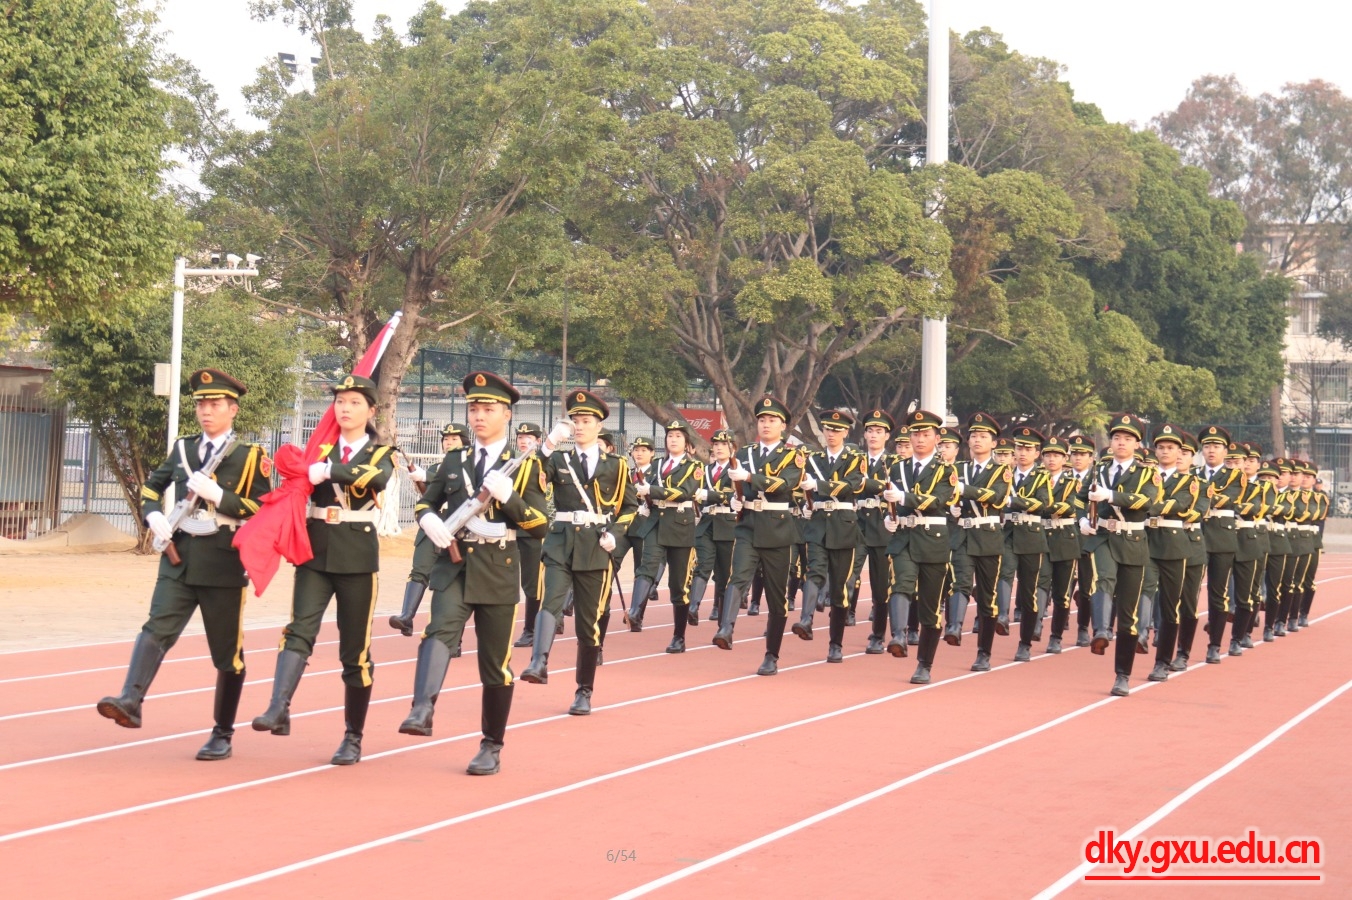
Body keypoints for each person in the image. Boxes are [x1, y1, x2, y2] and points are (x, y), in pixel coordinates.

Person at [98, 369, 272, 761]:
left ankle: (222, 733)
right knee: (156, 627)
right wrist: (152, 514)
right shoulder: (182, 449)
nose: (206, 411)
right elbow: (151, 487)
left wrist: (220, 496)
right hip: (179, 560)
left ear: (233, 409)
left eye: (214, 404)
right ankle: (130, 700)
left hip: (223, 565)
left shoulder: (250, 457)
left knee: (227, 654)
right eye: (201, 404)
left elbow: (263, 508)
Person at [401, 372, 550, 775]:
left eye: (488, 409)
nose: (479, 416)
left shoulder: (526, 465)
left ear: (507, 414)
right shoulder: (455, 460)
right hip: (455, 565)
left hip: (499, 568)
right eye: (474, 409)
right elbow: (426, 501)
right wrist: (428, 519)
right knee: (438, 631)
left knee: (494, 664)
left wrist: (510, 498)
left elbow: (540, 525)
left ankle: (491, 744)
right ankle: (422, 708)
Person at [250, 374, 395, 765]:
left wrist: (328, 471)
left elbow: (376, 478)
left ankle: (353, 736)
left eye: (354, 402)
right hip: (315, 552)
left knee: (355, 652)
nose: (345, 408)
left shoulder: (380, 452)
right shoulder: (320, 448)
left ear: (371, 410)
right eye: (340, 401)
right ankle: (278, 706)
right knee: (298, 630)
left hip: (356, 558)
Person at [521, 390, 639, 715]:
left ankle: (584, 690)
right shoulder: (558, 459)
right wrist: (548, 443)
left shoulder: (616, 465)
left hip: (595, 547)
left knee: (588, 624)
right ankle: (538, 662)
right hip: (560, 542)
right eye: (575, 420)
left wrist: (615, 534)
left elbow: (630, 506)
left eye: (586, 421)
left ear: (599, 426)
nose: (580, 426)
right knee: (550, 601)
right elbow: (528, 474)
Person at [715, 395, 804, 676]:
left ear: (783, 426)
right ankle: (726, 628)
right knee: (738, 576)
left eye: (772, 420)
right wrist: (733, 498)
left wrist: (750, 478)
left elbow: (785, 484)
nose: (766, 424)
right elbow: (728, 481)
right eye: (762, 420)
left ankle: (771, 655)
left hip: (777, 529)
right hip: (749, 525)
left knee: (776, 598)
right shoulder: (745, 453)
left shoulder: (793, 455)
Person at [1078, 413, 1161, 697]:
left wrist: (1110, 496)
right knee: (1103, 579)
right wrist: (1082, 519)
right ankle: (1101, 630)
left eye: (1127, 439)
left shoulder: (1147, 473)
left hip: (1133, 541)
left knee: (1129, 612)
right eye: (1116, 438)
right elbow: (1079, 498)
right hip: (1103, 537)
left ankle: (1122, 675)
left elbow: (1146, 501)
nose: (1121, 443)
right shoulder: (1098, 469)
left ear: (1137, 444)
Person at [881, 409, 957, 683]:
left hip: (933, 540)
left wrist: (904, 497)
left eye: (925, 434)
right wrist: (888, 517)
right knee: (900, 584)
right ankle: (898, 635)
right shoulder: (897, 468)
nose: (920, 439)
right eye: (915, 434)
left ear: (936, 438)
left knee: (930, 608)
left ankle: (925, 664)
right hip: (903, 538)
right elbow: (889, 500)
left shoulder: (946, 470)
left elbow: (937, 501)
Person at [627, 420, 704, 652]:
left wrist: (652, 490)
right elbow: (644, 489)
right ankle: (635, 610)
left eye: (678, 436)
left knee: (678, 586)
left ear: (686, 442)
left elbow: (685, 493)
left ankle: (679, 636)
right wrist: (644, 497)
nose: (673, 439)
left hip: (680, 525)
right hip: (656, 522)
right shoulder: (657, 464)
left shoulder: (694, 467)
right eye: (670, 436)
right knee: (646, 567)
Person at [794, 410, 865, 662]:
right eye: (828, 429)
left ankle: (836, 644)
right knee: (813, 571)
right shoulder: (814, 459)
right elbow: (800, 486)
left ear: (846, 432)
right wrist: (805, 500)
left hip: (843, 525)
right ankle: (806, 620)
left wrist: (819, 486)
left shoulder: (855, 458)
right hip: (818, 525)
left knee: (839, 589)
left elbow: (851, 485)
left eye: (837, 429)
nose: (831, 433)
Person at [390, 423, 467, 637]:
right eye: (446, 439)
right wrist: (421, 479)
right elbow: (430, 494)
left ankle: (454, 638)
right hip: (432, 524)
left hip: (456, 528)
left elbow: (452, 482)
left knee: (453, 580)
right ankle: (406, 616)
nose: (449, 443)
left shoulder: (468, 468)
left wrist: (425, 477)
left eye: (454, 439)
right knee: (419, 570)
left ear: (464, 442)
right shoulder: (436, 468)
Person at [949, 412, 1011, 669]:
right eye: (974, 435)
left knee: (987, 596)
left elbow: (996, 497)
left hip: (987, 538)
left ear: (993, 443)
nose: (977, 440)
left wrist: (965, 490)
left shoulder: (1002, 471)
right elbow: (947, 494)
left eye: (983, 436)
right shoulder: (957, 469)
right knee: (960, 583)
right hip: (963, 535)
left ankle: (984, 652)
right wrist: (951, 507)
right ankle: (954, 626)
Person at [1143, 425, 1200, 682]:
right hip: (1144, 540)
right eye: (1161, 447)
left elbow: (1181, 505)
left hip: (1173, 545)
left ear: (1179, 452)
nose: (1165, 452)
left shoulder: (1190, 481)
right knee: (1141, 591)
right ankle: (1140, 634)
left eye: (1171, 448)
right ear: (1154, 450)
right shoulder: (1144, 475)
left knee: (1170, 606)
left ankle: (1162, 661)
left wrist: (1145, 504)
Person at [1002, 426, 1053, 662]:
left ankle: (1025, 643)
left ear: (1037, 453)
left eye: (1028, 449)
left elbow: (1043, 503)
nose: (1022, 453)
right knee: (1003, 574)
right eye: (1019, 448)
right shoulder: (1003, 474)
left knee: (1028, 591)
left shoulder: (1042, 477)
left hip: (1031, 537)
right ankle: (1002, 616)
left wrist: (1013, 501)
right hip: (1007, 533)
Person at [1195, 427, 1245, 665]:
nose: (1211, 451)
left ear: (1225, 451)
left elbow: (1228, 499)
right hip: (1194, 535)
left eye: (1216, 446)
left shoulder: (1234, 476)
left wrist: (1197, 495)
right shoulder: (1193, 473)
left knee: (1218, 594)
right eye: (1207, 446)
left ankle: (1214, 644)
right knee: (1188, 593)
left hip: (1221, 538)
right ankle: (1182, 647)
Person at [856, 410, 900, 655]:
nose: (873, 435)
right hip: (856, 524)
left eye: (879, 431)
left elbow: (892, 488)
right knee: (846, 576)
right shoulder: (854, 460)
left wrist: (864, 483)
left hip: (882, 527)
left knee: (880, 586)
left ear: (887, 436)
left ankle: (878, 634)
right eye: (870, 431)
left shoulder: (894, 463)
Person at [691, 429, 739, 626]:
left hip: (727, 525)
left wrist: (709, 495)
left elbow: (735, 496)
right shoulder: (704, 470)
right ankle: (693, 606)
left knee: (723, 575)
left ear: (733, 448)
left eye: (724, 444)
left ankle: (722, 618)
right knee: (703, 565)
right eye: (716, 444)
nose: (719, 448)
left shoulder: (737, 470)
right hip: (706, 524)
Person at [1039, 436, 1082, 654]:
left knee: (1062, 592)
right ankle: (1035, 623)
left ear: (1065, 459)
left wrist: (1043, 507)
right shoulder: (1035, 480)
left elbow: (1072, 506)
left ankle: (1056, 636)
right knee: (1039, 584)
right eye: (1047, 455)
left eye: (1056, 455)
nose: (1051, 459)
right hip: (1040, 536)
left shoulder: (1073, 483)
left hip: (1065, 538)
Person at [510, 422, 548, 649]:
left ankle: (531, 629)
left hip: (533, 529)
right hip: (509, 528)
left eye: (529, 437)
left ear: (538, 441)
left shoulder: (542, 462)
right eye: (520, 437)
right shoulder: (511, 462)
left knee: (533, 582)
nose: (524, 441)